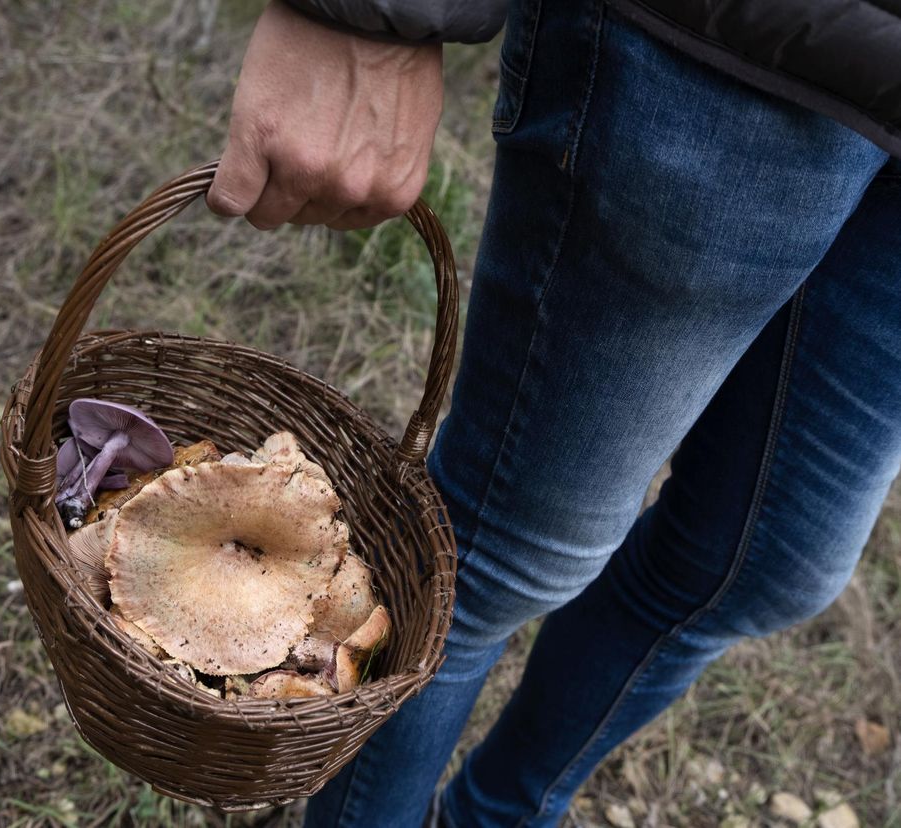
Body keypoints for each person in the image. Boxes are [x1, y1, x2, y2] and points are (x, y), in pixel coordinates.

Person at [207, 1, 901, 825]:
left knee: (760, 564)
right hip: (724, 44)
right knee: (498, 551)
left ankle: (501, 813)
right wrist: (374, 19)